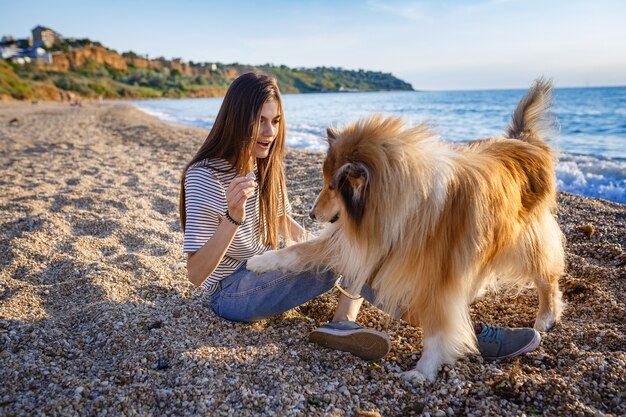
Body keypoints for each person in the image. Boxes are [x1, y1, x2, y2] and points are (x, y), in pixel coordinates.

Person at [179, 72, 541, 362]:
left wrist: (321, 240)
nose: (270, 133)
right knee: (342, 255)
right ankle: (364, 324)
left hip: (263, 274)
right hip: (231, 293)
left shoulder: (264, 167)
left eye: (275, 121)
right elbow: (196, 275)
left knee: (351, 248)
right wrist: (232, 217)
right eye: (260, 121)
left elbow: (283, 224)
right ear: (236, 119)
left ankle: (422, 325)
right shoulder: (204, 176)